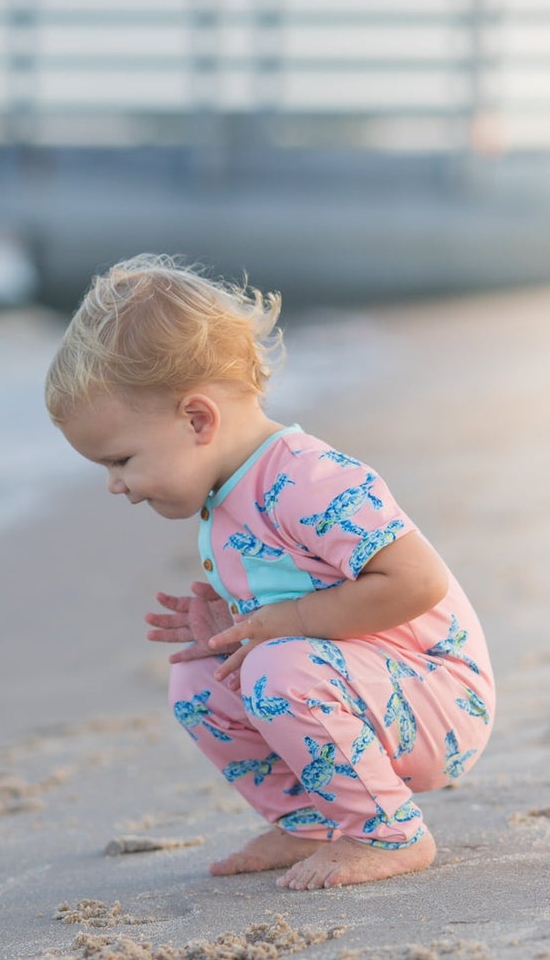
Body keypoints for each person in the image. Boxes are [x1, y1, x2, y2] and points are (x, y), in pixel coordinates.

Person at [45, 253, 495, 891]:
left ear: (198, 419)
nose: (115, 486)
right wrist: (238, 625)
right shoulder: (231, 494)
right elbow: (313, 605)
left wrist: (284, 624)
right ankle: (312, 819)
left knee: (274, 667)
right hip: (366, 686)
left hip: (441, 699)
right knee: (202, 676)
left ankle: (390, 832)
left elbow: (418, 583)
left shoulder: (306, 479)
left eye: (120, 460)